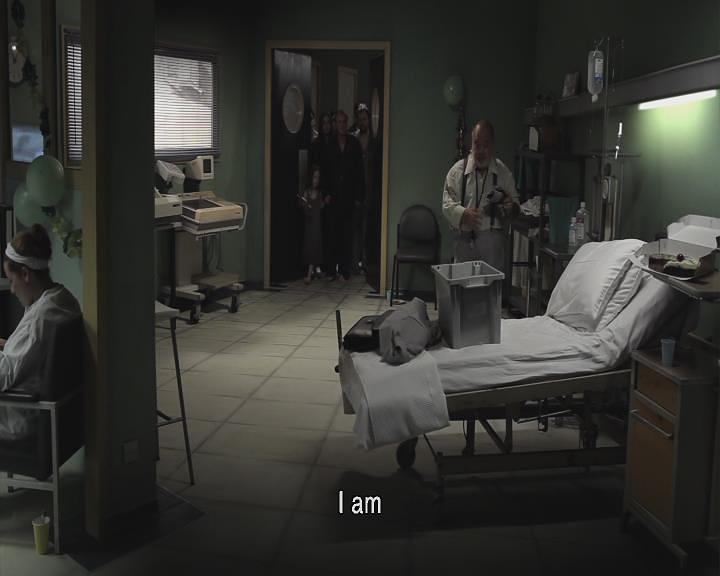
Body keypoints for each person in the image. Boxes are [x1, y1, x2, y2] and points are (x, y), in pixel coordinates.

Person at [0, 224, 81, 441]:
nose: (12, 289)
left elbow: (4, 376)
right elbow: (34, 354)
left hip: (19, 416)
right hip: (44, 411)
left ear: (25, 274)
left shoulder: (40, 318)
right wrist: (6, 344)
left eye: (12, 280)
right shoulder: (62, 299)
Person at [442, 120, 518, 271]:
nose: (481, 150)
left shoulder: (503, 173)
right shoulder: (457, 172)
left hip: (493, 251)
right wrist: (463, 214)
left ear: (492, 146)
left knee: (491, 286)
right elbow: (446, 204)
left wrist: (510, 208)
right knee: (462, 283)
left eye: (486, 145)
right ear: (471, 144)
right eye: (477, 144)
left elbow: (516, 207)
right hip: (464, 246)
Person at [326, 109, 365, 281]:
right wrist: (326, 193)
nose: (341, 125)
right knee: (333, 233)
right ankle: (331, 269)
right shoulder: (330, 144)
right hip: (334, 195)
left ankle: (345, 269)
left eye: (344, 122)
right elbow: (326, 170)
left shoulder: (354, 143)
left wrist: (358, 197)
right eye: (339, 122)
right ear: (335, 124)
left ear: (347, 123)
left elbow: (359, 171)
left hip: (349, 195)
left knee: (347, 234)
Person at [355, 103, 380, 284]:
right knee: (358, 228)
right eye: (360, 119)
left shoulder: (375, 140)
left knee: (369, 227)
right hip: (358, 189)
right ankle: (357, 261)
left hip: (372, 190)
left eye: (365, 119)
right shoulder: (355, 140)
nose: (362, 122)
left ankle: (368, 261)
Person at [310, 112, 334, 276]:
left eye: (328, 123)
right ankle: (318, 264)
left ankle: (328, 264)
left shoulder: (333, 143)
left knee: (329, 229)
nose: (326, 126)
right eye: (323, 123)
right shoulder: (316, 144)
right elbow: (314, 167)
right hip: (318, 188)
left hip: (329, 189)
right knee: (317, 230)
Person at [300, 166, 324, 284]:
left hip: (317, 223)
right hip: (310, 224)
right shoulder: (307, 192)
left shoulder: (319, 193)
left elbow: (320, 206)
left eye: (318, 177)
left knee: (315, 245)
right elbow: (304, 207)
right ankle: (313, 271)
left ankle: (312, 272)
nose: (316, 180)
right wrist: (305, 205)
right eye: (315, 177)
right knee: (310, 246)